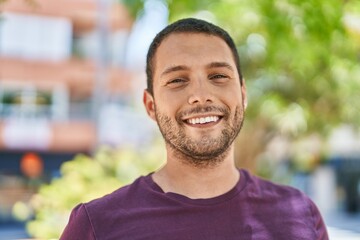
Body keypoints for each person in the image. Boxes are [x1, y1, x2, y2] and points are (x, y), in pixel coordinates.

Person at [60, 18, 328, 240]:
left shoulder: (301, 214)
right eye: (177, 80)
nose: (201, 95)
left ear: (243, 94)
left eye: (219, 76)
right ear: (150, 106)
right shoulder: (96, 226)